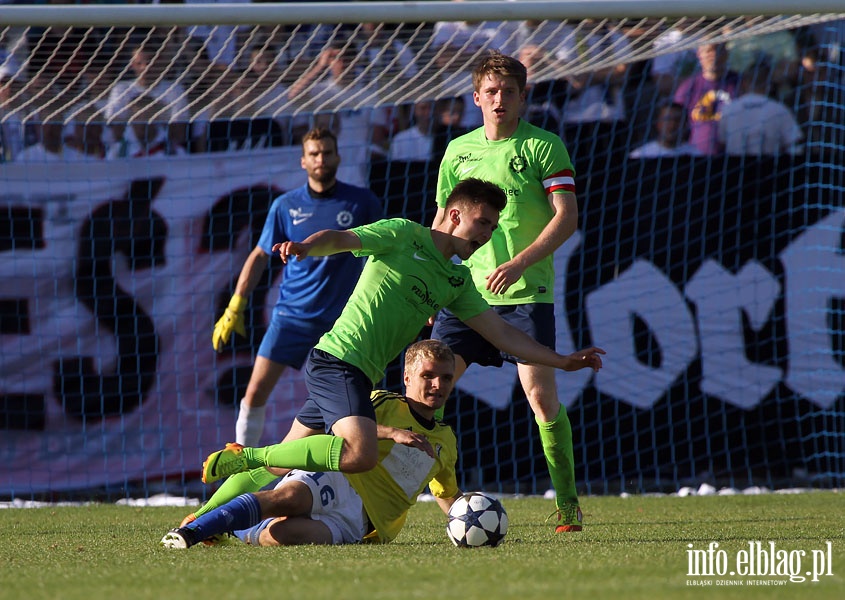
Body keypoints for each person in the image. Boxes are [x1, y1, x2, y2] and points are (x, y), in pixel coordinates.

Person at [198, 178, 604, 513]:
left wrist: (563, 361)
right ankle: (250, 454)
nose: (487, 235)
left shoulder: (456, 280)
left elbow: (502, 334)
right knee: (360, 453)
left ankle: (198, 517)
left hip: (358, 373)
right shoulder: (402, 234)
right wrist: (305, 247)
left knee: (287, 454)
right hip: (339, 360)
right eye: (482, 223)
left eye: (493, 227)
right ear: (455, 214)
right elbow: (342, 240)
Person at [430, 51, 584, 533]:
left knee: (540, 399)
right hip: (465, 296)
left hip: (527, 292)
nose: (499, 100)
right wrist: (431, 284)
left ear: (523, 97)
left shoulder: (543, 146)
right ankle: (448, 506)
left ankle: (568, 503)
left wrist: (519, 263)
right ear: (476, 97)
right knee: (427, 397)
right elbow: (442, 225)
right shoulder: (458, 151)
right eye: (491, 92)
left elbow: (567, 217)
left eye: (508, 92)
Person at [161, 339, 462, 548]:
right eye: (428, 375)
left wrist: (469, 518)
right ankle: (194, 531)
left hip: (362, 522)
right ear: (408, 377)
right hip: (342, 478)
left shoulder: (445, 441)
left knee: (281, 534)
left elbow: (447, 494)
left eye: (446, 378)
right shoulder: (380, 402)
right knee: (289, 497)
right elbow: (345, 430)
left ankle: (232, 526)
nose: (438, 385)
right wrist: (390, 432)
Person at [211, 127, 382, 446]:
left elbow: (379, 255)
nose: (321, 159)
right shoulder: (284, 206)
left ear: (338, 157)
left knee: (363, 398)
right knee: (254, 392)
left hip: (342, 321)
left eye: (327, 152)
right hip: (292, 317)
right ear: (303, 161)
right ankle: (242, 464)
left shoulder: (362, 202)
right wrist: (236, 304)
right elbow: (260, 255)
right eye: (314, 154)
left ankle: (362, 477)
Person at [718, 61, 804, 156]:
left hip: (734, 168)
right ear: (769, 84)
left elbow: (722, 142)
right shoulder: (779, 110)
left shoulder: (728, 110)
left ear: (744, 83)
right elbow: (795, 147)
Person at [673, 42, 740, 155]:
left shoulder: (740, 83)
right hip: (697, 156)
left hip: (735, 156)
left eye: (718, 50)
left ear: (726, 53)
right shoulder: (688, 88)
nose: (714, 55)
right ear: (699, 54)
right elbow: (676, 124)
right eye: (708, 51)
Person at [628, 101, 702, 158]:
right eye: (667, 119)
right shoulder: (640, 155)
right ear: (658, 123)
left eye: (678, 120)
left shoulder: (695, 156)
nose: (672, 125)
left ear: (685, 125)